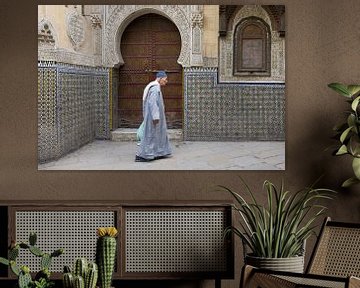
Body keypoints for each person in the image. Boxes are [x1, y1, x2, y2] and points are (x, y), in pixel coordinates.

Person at [135, 71, 172, 162]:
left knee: (158, 135)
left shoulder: (156, 87)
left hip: (156, 118)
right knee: (150, 136)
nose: (166, 81)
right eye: (165, 79)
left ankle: (159, 152)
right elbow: (152, 103)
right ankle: (144, 155)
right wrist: (156, 117)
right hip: (154, 118)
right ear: (160, 78)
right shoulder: (155, 88)